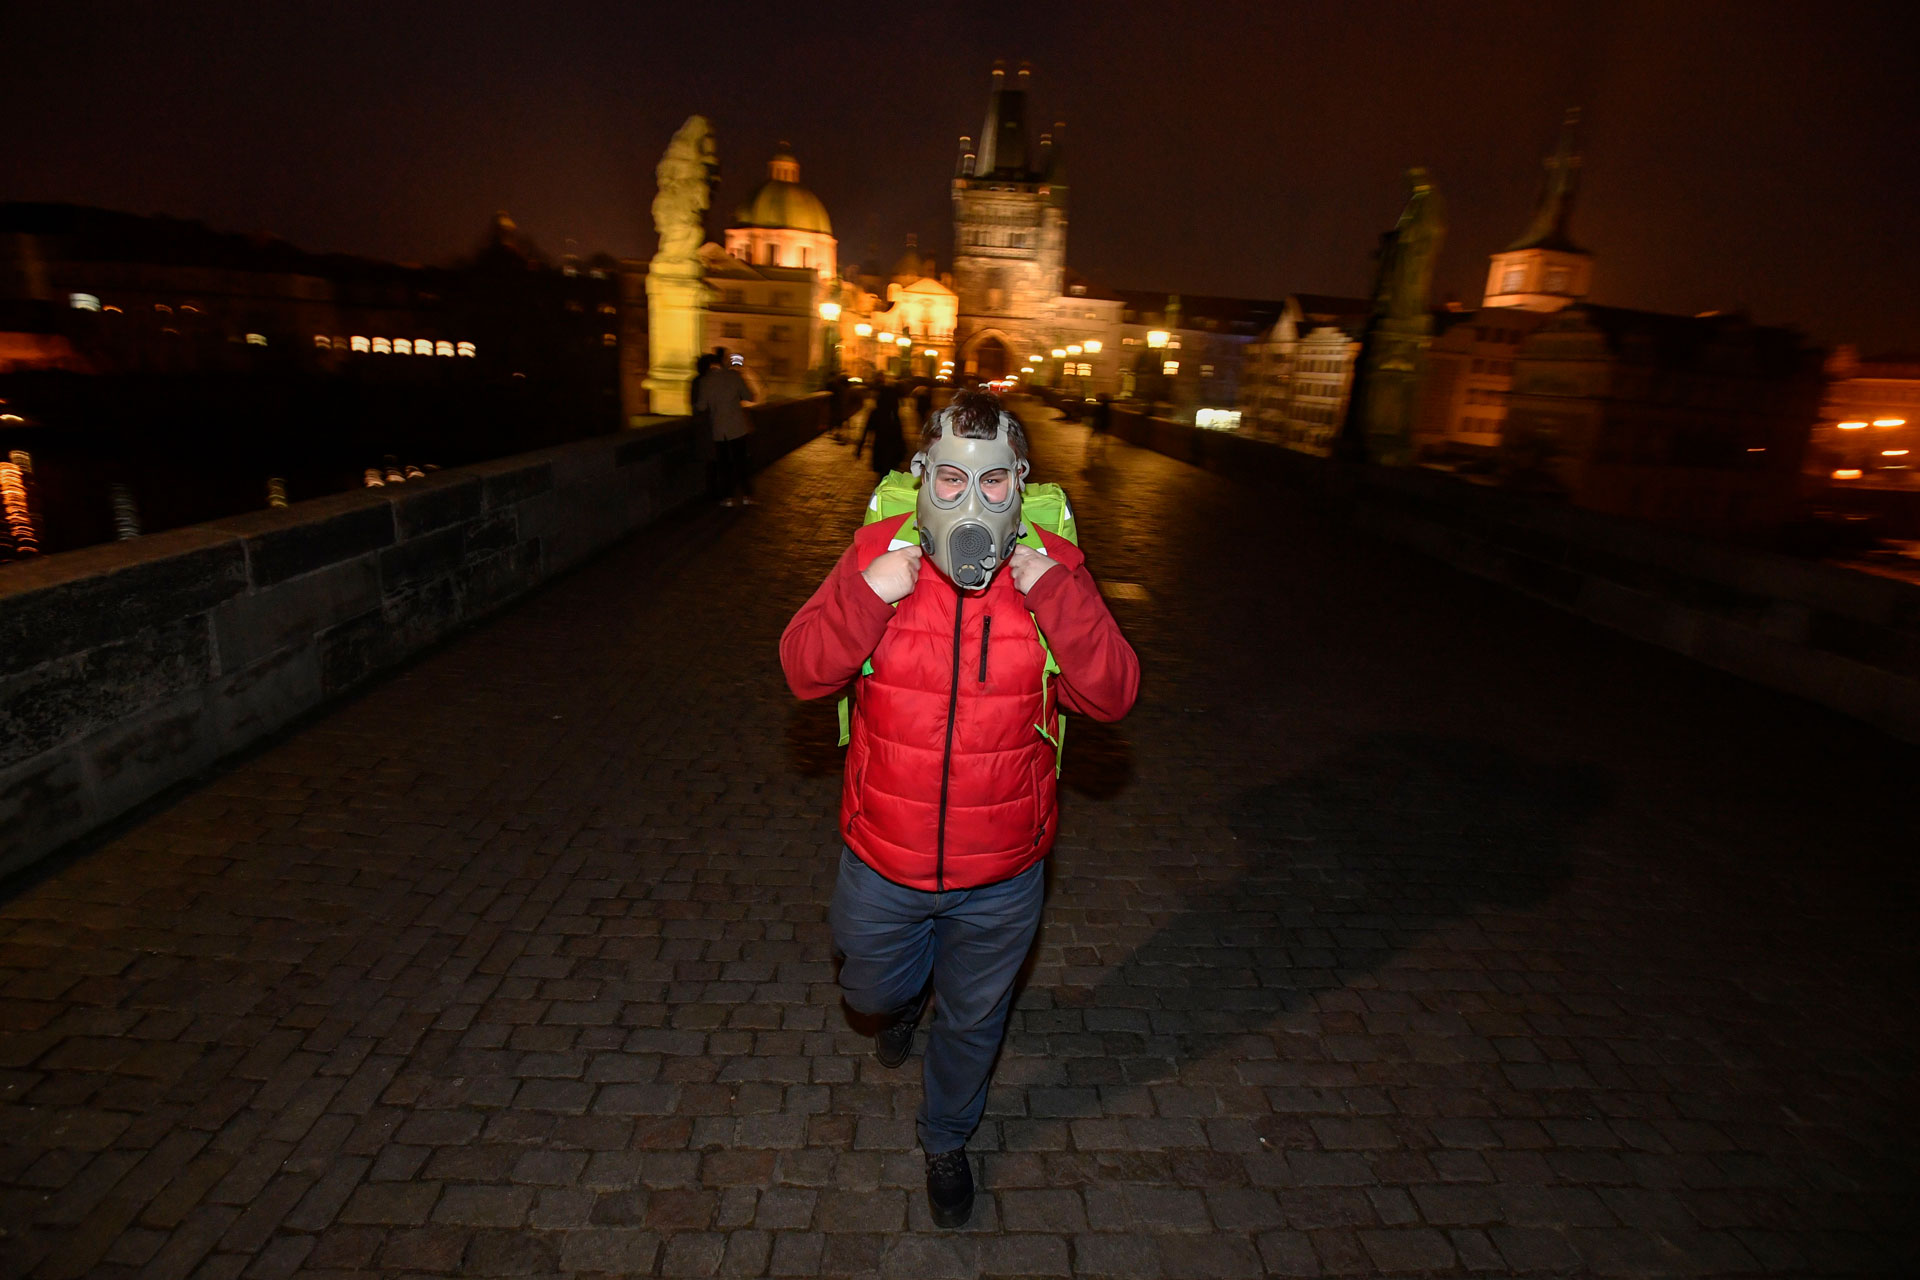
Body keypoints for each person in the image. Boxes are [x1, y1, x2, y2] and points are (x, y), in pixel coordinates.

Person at [780, 390, 1139, 1228]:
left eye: (989, 484)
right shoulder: (880, 556)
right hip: (883, 860)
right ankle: (902, 1002)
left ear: (1020, 484)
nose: (967, 505)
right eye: (947, 481)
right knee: (867, 990)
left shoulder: (1052, 574)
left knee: (975, 1021)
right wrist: (869, 592)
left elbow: (1113, 694)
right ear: (919, 479)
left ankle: (947, 1137)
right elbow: (803, 670)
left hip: (1004, 871)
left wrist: (1058, 592)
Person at [696, 348, 756, 505]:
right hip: (737, 427)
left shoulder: (705, 381)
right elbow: (749, 396)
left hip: (719, 429)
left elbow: (701, 407)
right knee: (741, 461)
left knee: (724, 465)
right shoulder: (734, 376)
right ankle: (747, 496)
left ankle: (728, 497)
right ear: (723, 361)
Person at [855, 372, 906, 476]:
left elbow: (866, 430)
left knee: (881, 476)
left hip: (880, 449)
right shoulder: (893, 416)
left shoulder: (876, 413)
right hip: (891, 451)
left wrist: (859, 448)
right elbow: (899, 434)